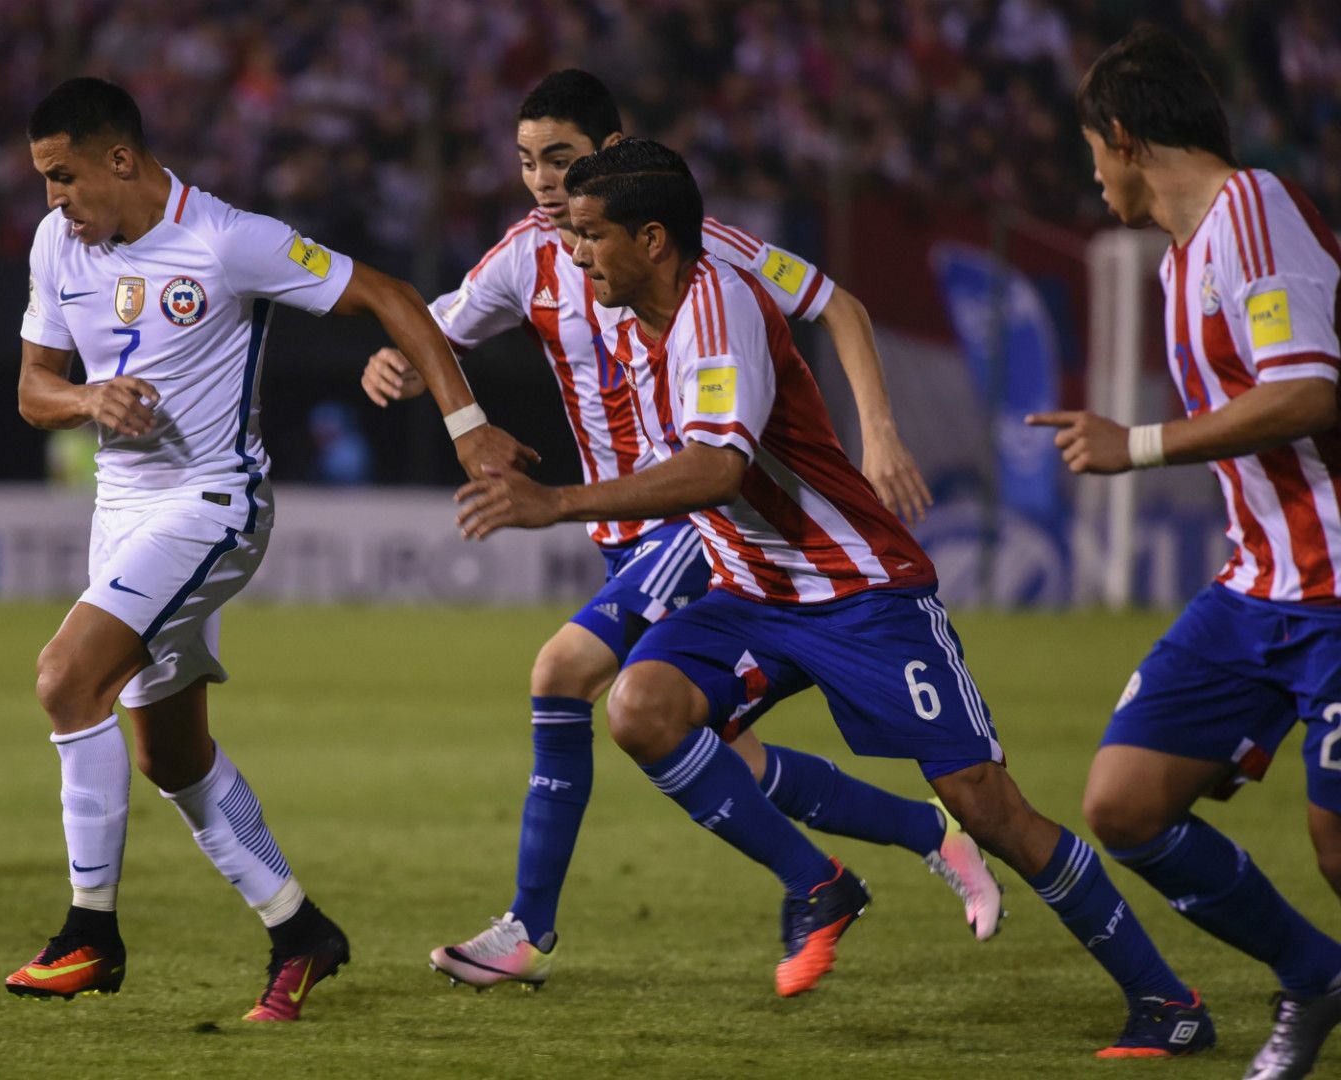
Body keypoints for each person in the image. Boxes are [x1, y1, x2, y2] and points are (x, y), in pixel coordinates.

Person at [457, 137, 1213, 1058]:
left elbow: (715, 466)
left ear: (652, 240)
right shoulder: (629, 310)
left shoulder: (717, 309)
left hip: (860, 591)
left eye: (591, 237)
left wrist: (557, 504)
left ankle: (1166, 1000)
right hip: (751, 589)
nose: (576, 256)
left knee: (991, 808)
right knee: (642, 708)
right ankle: (816, 882)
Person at [361, 70, 997, 991]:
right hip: (628, 532)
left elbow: (838, 306)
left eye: (563, 160)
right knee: (721, 755)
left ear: (610, 158)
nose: (542, 181)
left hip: (696, 515)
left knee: (563, 673)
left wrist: (882, 431)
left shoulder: (696, 250)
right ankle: (926, 833)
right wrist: (409, 370)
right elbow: (434, 330)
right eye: (528, 162)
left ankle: (536, 929)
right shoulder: (524, 258)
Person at [5, 76, 535, 1021]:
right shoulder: (59, 245)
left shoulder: (227, 240)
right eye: (45, 181)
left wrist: (468, 427)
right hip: (119, 517)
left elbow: (392, 296)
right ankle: (300, 929)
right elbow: (34, 388)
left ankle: (90, 933)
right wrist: (90, 400)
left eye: (62, 176)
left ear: (120, 159)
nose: (54, 201)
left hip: (215, 502)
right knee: (171, 755)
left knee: (62, 679)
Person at [1028, 27, 1341, 1080]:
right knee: (1123, 803)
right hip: (1257, 591)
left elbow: (1308, 392)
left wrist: (1139, 445)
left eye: (1092, 150)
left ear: (1123, 137)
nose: (1093, 176)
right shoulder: (1182, 257)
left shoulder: (1252, 210)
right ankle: (1316, 975)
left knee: (1339, 851)